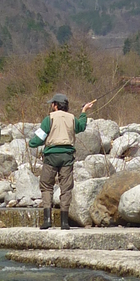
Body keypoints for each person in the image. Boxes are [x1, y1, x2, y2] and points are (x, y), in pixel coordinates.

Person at [29, 93, 96, 230]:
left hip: (51, 157)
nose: (51, 106)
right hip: (67, 156)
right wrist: (83, 112)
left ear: (55, 105)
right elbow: (81, 127)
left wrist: (32, 143)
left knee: (47, 185)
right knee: (66, 188)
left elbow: (38, 139)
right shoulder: (72, 118)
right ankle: (64, 222)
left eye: (52, 104)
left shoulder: (49, 119)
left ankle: (47, 220)